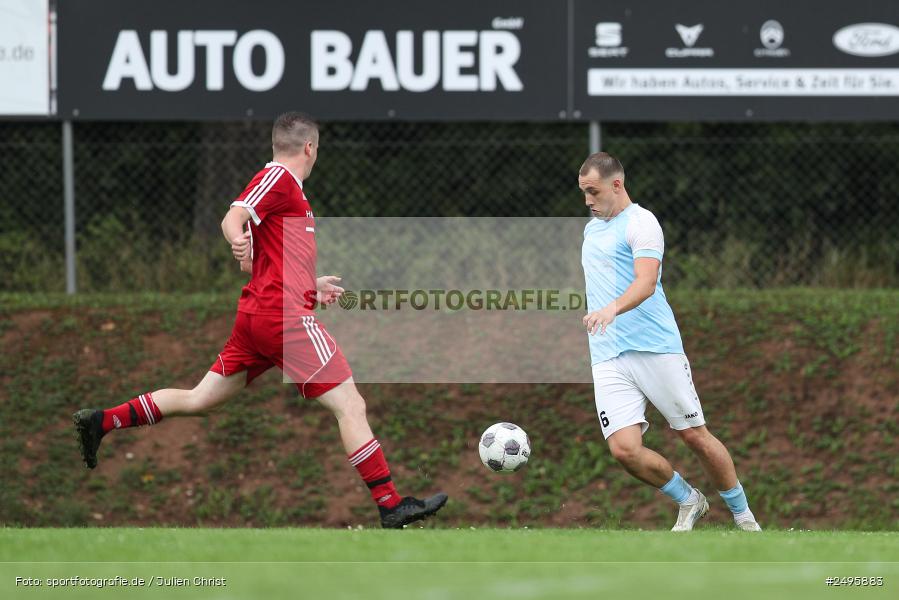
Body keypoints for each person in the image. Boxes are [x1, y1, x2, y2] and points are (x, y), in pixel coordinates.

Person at [73, 112, 447, 529]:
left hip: (260, 317)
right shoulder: (279, 180)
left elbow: (264, 262)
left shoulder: (291, 196)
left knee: (199, 399)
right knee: (351, 405)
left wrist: (311, 284)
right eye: (316, 148)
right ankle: (391, 505)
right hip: (282, 320)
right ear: (310, 147)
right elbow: (233, 216)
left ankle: (102, 421)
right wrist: (236, 236)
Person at [578, 152, 760, 532]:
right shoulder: (591, 230)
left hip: (654, 347)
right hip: (608, 354)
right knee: (624, 449)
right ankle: (689, 500)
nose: (588, 201)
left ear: (616, 185)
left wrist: (611, 309)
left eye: (593, 191)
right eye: (583, 193)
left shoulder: (643, 223)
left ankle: (744, 518)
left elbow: (645, 284)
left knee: (693, 435)